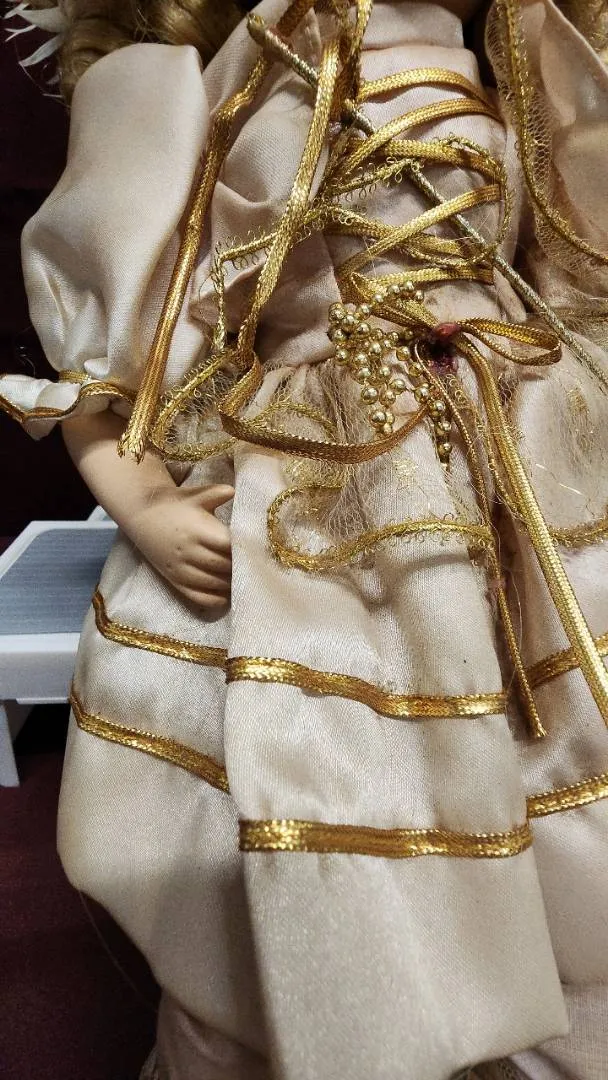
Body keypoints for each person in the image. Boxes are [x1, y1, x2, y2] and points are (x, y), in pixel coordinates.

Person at [2, 1, 608, 1077]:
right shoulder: (231, 72)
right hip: (317, 462)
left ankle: (530, 1003)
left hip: (523, 434)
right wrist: (143, 503)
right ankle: (345, 1005)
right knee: (307, 735)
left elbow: (564, 278)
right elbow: (116, 349)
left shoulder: (517, 56)